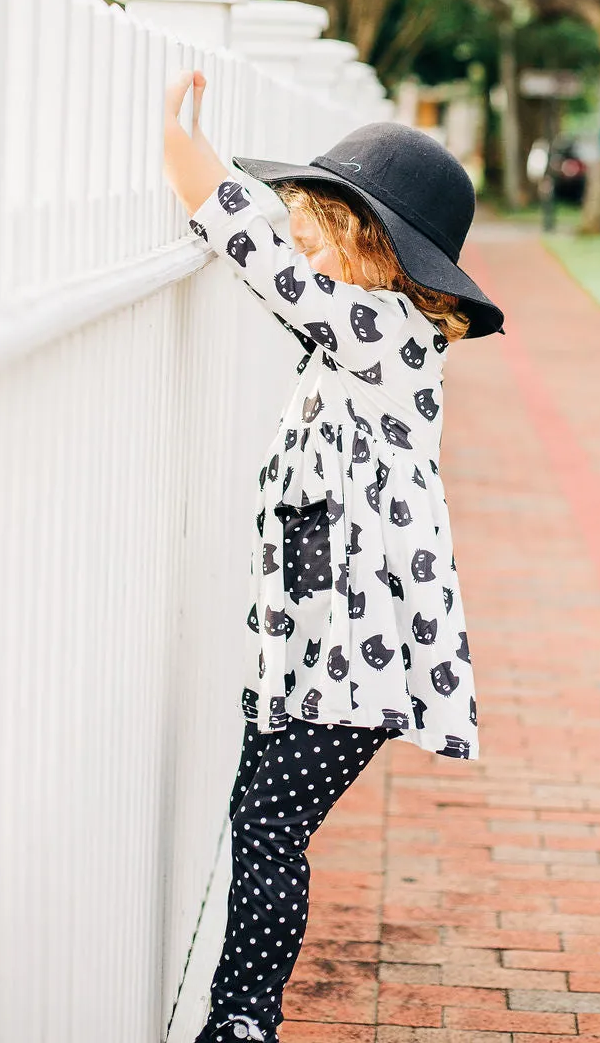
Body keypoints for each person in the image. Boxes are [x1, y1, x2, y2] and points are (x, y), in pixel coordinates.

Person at [162, 70, 504, 1043]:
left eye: (316, 223)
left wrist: (178, 146)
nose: (297, 237)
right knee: (262, 821)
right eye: (300, 216)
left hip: (358, 655)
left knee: (270, 829)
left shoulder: (385, 333)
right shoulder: (360, 339)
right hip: (322, 645)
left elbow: (253, 252)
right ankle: (243, 1015)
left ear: (374, 247)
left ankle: (242, 1019)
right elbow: (280, 279)